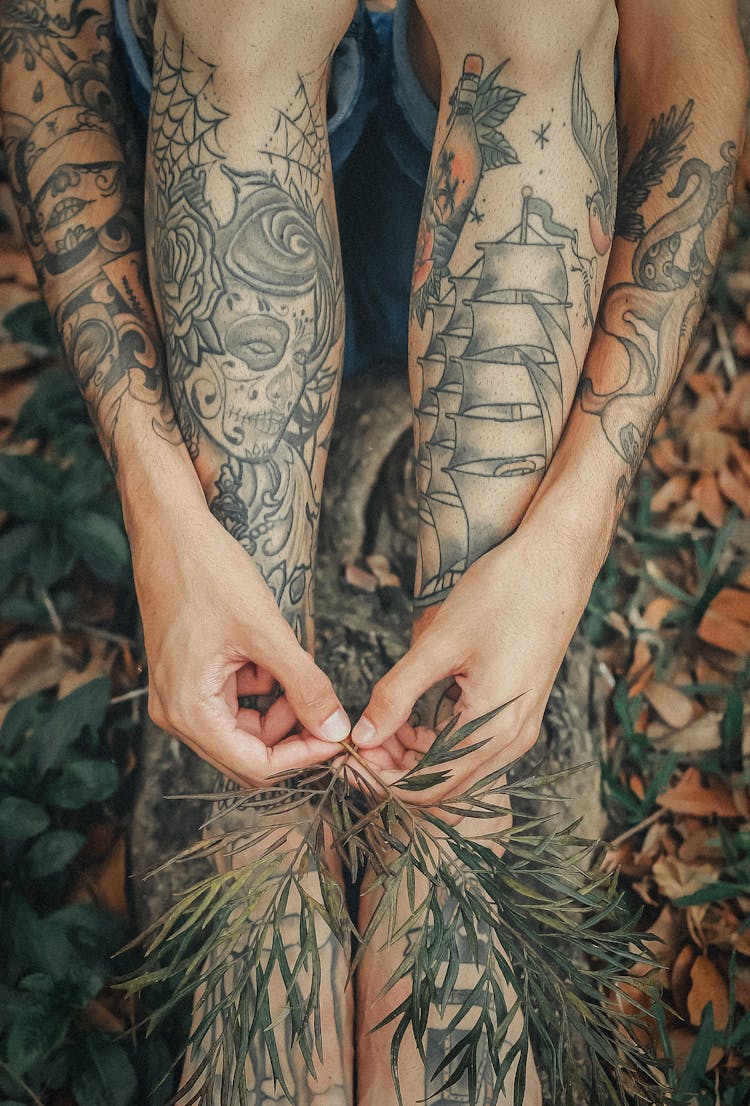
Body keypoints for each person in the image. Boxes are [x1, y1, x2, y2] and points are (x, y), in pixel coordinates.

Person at [0, 0, 746, 1102]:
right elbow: (40, 43)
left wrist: (574, 530)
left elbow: (692, 55)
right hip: (203, 150)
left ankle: (451, 826)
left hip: (469, 181)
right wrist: (153, 494)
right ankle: (262, 818)